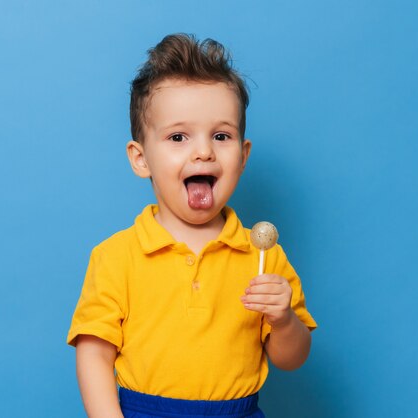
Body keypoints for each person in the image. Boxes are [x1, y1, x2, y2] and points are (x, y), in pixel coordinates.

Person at [67, 33, 317, 418]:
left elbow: (291, 359)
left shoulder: (262, 255)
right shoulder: (116, 257)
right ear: (140, 159)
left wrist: (283, 320)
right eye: (178, 137)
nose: (203, 151)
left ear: (243, 154)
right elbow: (94, 355)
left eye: (221, 135)